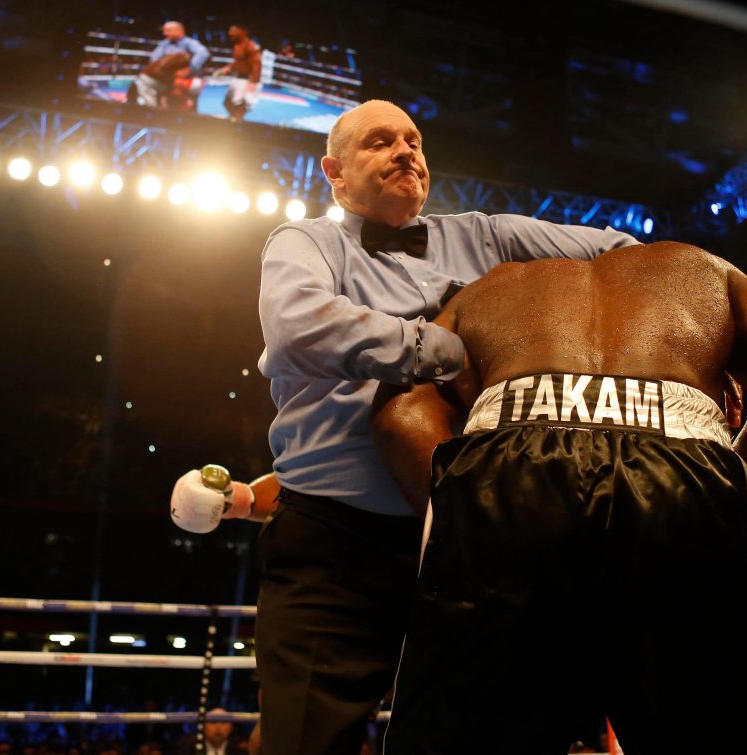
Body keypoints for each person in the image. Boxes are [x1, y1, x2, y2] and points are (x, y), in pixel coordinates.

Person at [225, 97, 640, 755]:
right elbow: (300, 326)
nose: (404, 151)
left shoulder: (485, 235)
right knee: (302, 741)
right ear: (334, 172)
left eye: (413, 140)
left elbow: (626, 255)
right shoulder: (307, 241)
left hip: (466, 541)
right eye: (379, 141)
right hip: (334, 542)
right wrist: (453, 347)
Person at [370, 246, 747, 754]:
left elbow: (400, 414)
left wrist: (461, 509)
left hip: (504, 470)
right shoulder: (701, 268)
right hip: (680, 469)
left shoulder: (485, 291)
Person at [133, 21, 209, 108]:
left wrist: (190, 69)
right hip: (168, 79)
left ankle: (190, 116)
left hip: (186, 79)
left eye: (168, 30)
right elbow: (154, 59)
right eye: (164, 31)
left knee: (196, 84)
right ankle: (152, 110)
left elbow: (203, 53)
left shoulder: (189, 43)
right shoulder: (164, 44)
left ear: (179, 31)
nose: (165, 33)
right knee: (143, 80)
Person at [217, 25, 262, 122]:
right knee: (227, 103)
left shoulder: (251, 46)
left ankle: (237, 123)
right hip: (238, 78)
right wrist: (228, 68)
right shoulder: (237, 45)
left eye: (233, 31)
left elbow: (256, 65)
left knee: (239, 106)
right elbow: (239, 61)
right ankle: (235, 120)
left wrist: (252, 83)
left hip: (246, 80)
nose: (230, 33)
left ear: (243, 32)